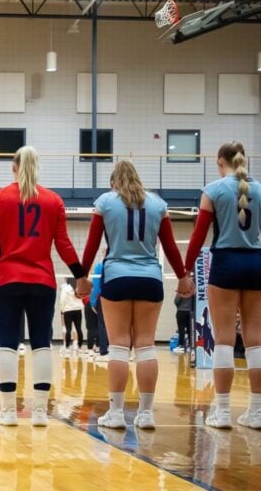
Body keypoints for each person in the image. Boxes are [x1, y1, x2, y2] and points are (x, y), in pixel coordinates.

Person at [0, 146, 89, 427]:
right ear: (38, 166)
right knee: (42, 344)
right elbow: (63, 243)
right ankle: (39, 413)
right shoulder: (54, 201)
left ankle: (9, 411)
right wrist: (80, 276)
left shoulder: (0, 198)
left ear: (13, 166)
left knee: (8, 344)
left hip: (8, 280)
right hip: (43, 281)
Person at [79, 161, 193, 429]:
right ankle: (146, 414)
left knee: (118, 345)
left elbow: (93, 243)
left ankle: (117, 413)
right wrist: (182, 276)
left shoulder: (105, 202)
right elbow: (170, 246)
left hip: (117, 276)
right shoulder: (158, 204)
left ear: (113, 183)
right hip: (150, 278)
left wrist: (82, 277)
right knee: (146, 345)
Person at [184, 141, 261, 430]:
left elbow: (198, 237)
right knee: (254, 338)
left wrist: (185, 270)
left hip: (225, 264)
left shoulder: (213, 190)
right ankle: (256, 412)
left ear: (219, 162)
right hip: (255, 267)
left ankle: (223, 412)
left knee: (224, 338)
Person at [58, 277, 84, 357]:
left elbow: (62, 300)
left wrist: (62, 309)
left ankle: (67, 348)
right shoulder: (79, 286)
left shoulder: (65, 288)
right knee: (78, 328)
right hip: (78, 310)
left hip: (68, 310)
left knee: (68, 329)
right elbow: (82, 297)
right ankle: (79, 347)